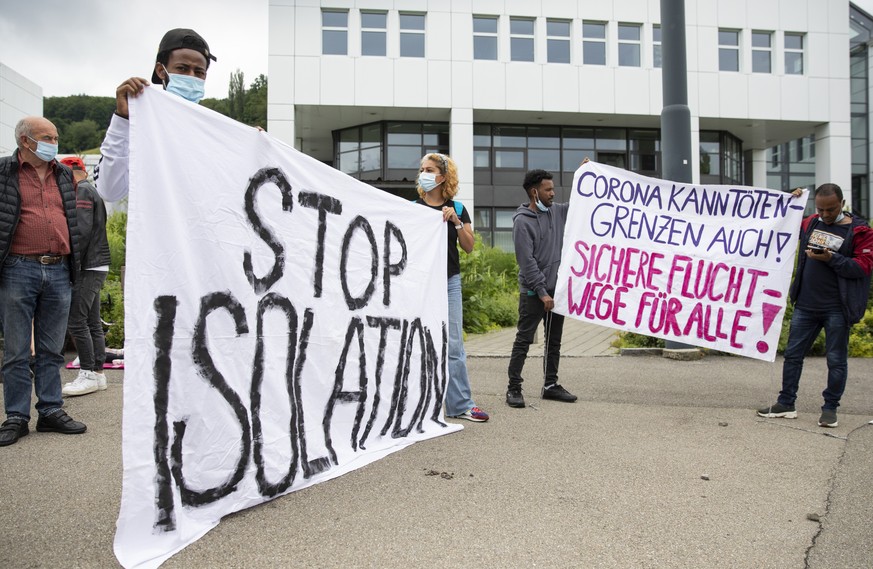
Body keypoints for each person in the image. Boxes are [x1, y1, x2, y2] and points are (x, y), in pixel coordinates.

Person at [0, 117, 86, 447]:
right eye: (46, 137)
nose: (54, 141)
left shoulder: (64, 174)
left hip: (59, 268)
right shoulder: (4, 173)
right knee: (17, 349)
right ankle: (16, 417)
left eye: (56, 136)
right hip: (18, 268)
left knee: (51, 349)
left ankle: (50, 410)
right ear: (25, 141)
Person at [758, 184, 873, 427]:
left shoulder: (861, 231)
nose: (825, 214)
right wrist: (791, 196)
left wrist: (832, 258)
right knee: (793, 356)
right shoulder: (811, 222)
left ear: (841, 203)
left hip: (837, 308)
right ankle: (786, 403)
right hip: (806, 304)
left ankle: (830, 409)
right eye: (820, 209)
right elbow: (786, 215)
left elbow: (863, 266)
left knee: (836, 360)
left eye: (830, 209)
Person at [97, 28, 217, 202]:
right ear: (161, 71)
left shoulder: (214, 129)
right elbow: (109, 191)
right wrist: (122, 120)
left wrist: (253, 147)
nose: (191, 76)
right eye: (182, 69)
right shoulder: (140, 124)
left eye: (199, 72)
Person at [414, 153, 489, 422]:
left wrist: (456, 222)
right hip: (420, 284)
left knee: (454, 345)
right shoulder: (412, 208)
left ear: (443, 176)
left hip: (449, 282)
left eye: (430, 169)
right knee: (417, 341)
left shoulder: (457, 209)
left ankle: (460, 404)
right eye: (422, 169)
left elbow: (469, 247)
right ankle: (416, 403)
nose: (424, 173)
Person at [506, 169, 577, 408]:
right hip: (533, 293)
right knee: (524, 340)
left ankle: (550, 385)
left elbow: (580, 202)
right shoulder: (522, 222)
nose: (553, 193)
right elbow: (527, 262)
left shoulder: (556, 212)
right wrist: (542, 291)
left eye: (553, 189)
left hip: (556, 291)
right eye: (548, 190)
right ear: (535, 192)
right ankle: (513, 388)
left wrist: (585, 173)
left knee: (553, 341)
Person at [58, 157, 112, 397]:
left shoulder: (81, 191)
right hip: (97, 264)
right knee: (91, 321)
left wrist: (72, 262)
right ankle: (98, 373)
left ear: (71, 171)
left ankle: (88, 373)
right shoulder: (93, 191)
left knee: (76, 321)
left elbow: (81, 230)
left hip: (87, 265)